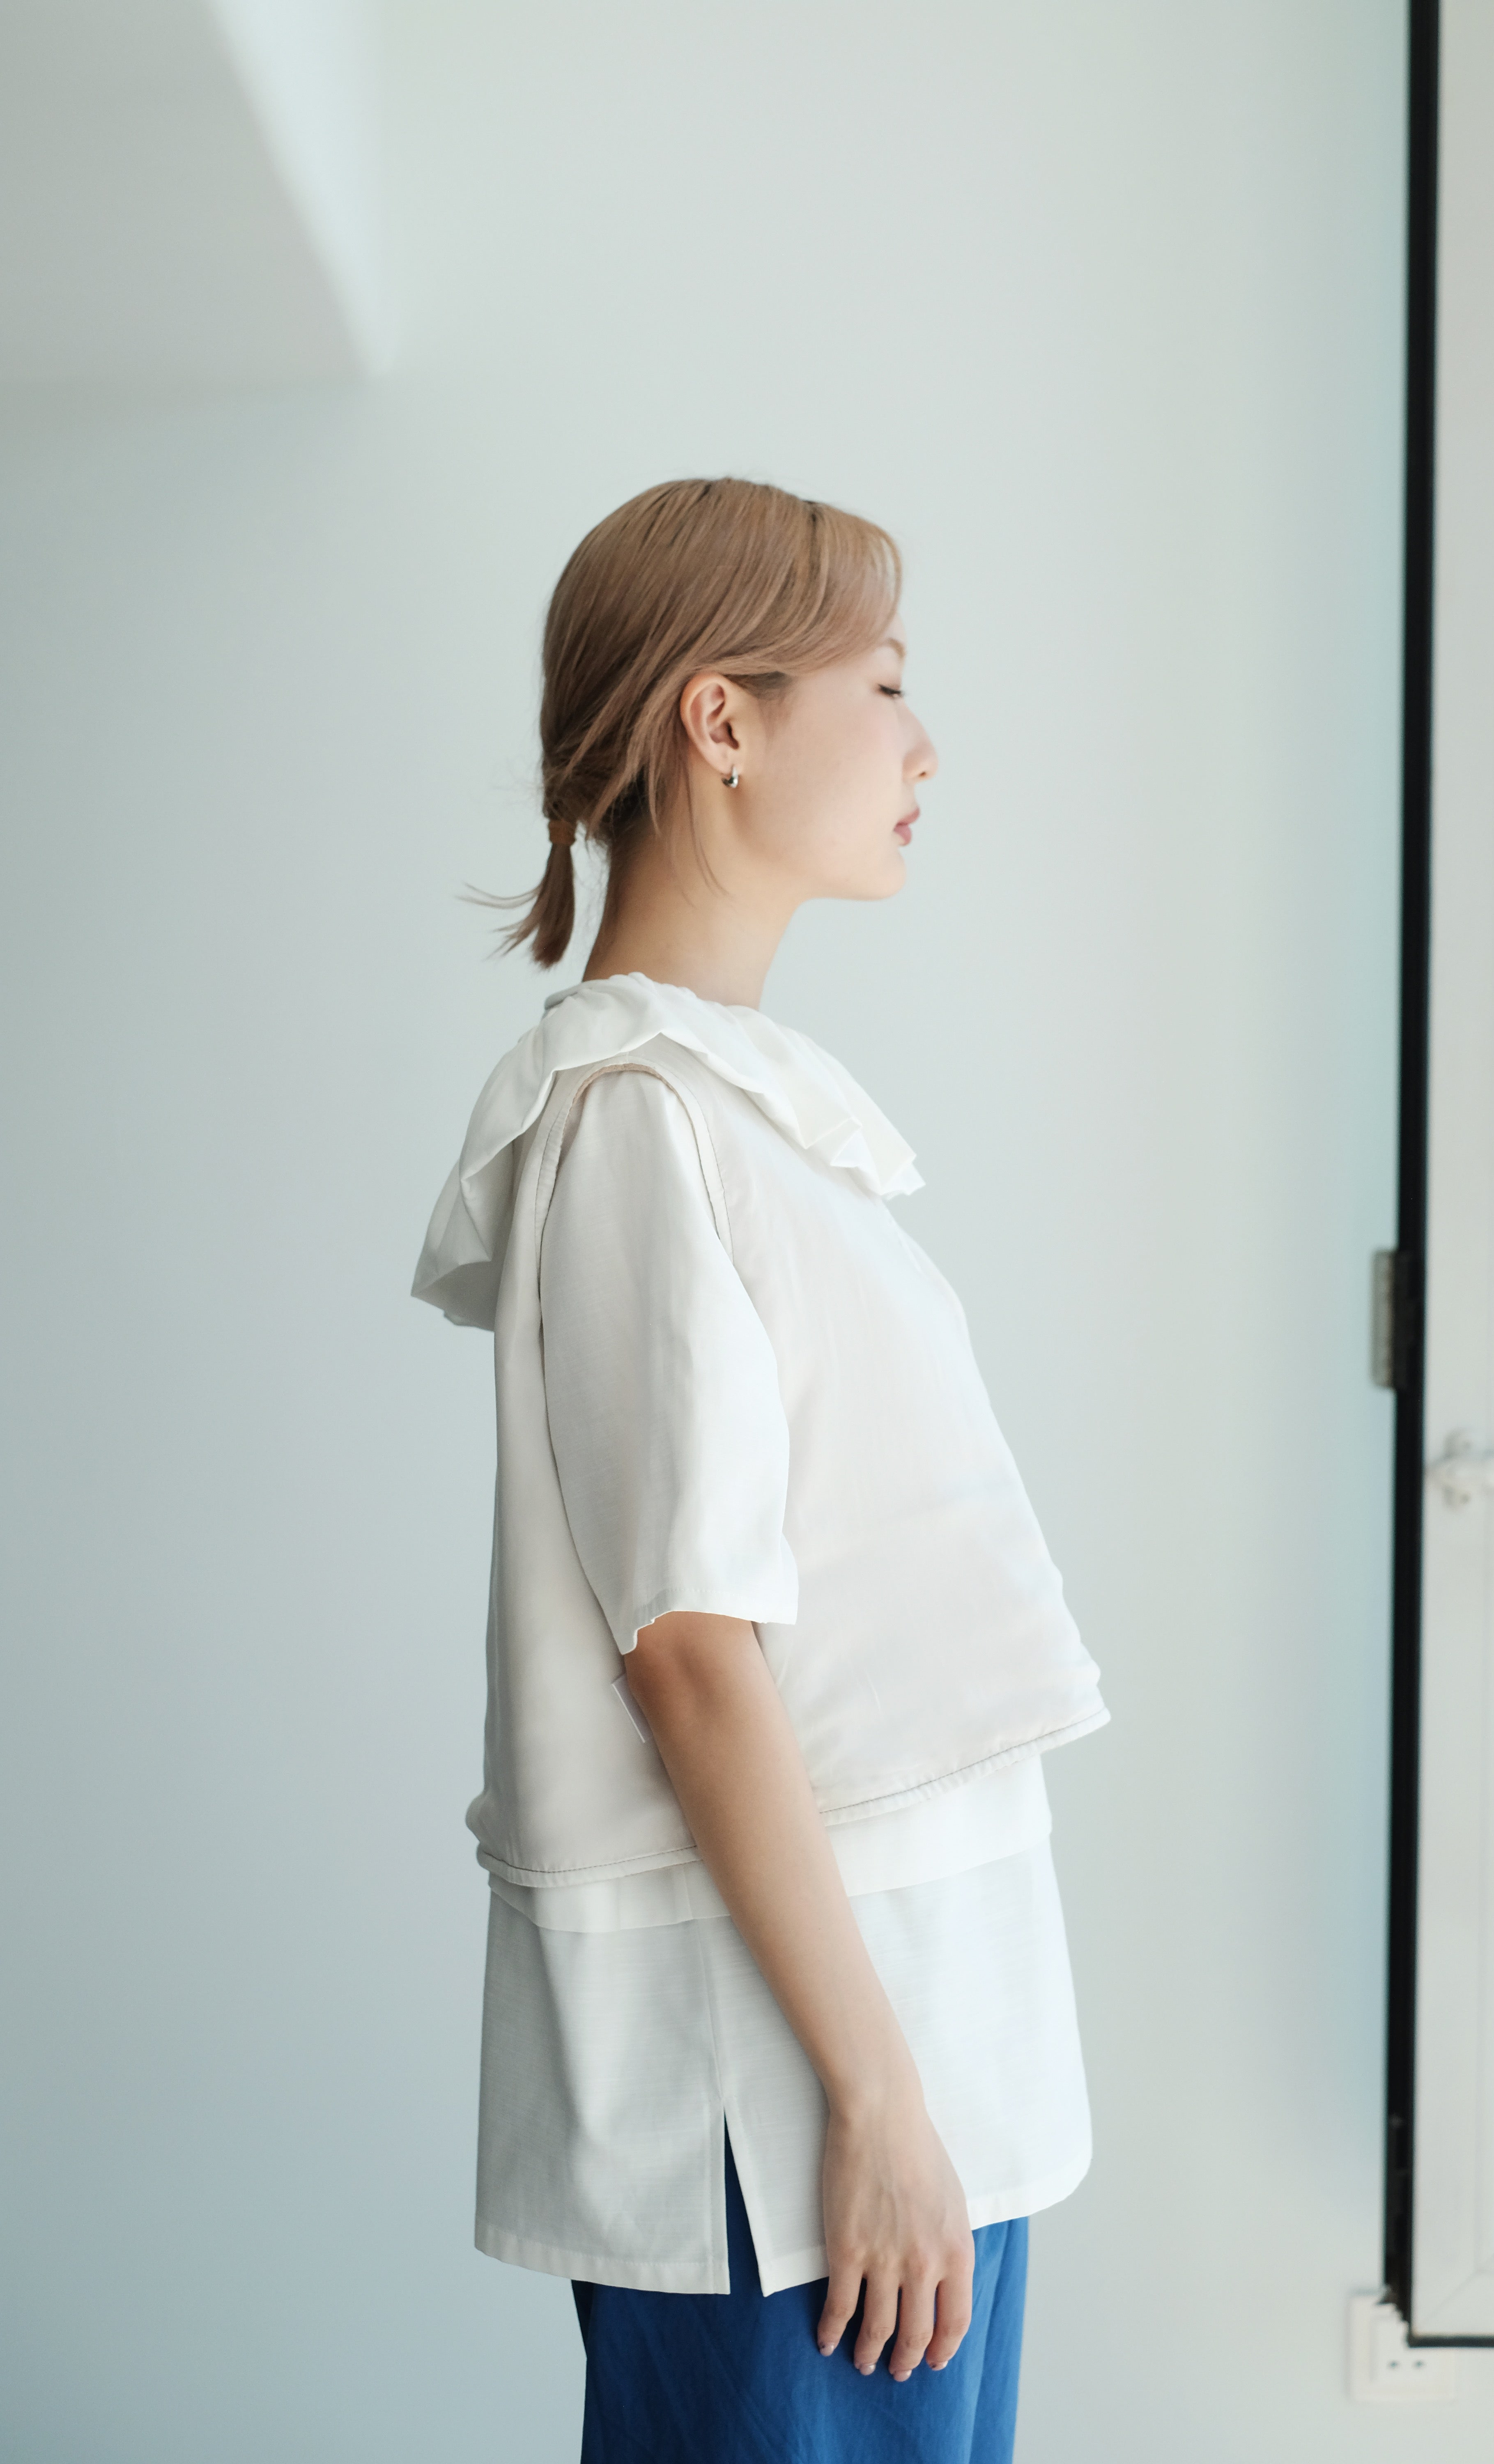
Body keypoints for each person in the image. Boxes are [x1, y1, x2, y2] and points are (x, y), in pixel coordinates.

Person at [413, 476, 1109, 2463]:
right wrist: (875, 2103)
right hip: (793, 2100)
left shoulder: (734, 1114)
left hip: (896, 2055)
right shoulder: (639, 1126)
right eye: (882, 686)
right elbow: (690, 1653)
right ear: (720, 721)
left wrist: (908, 2095)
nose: (923, 745)